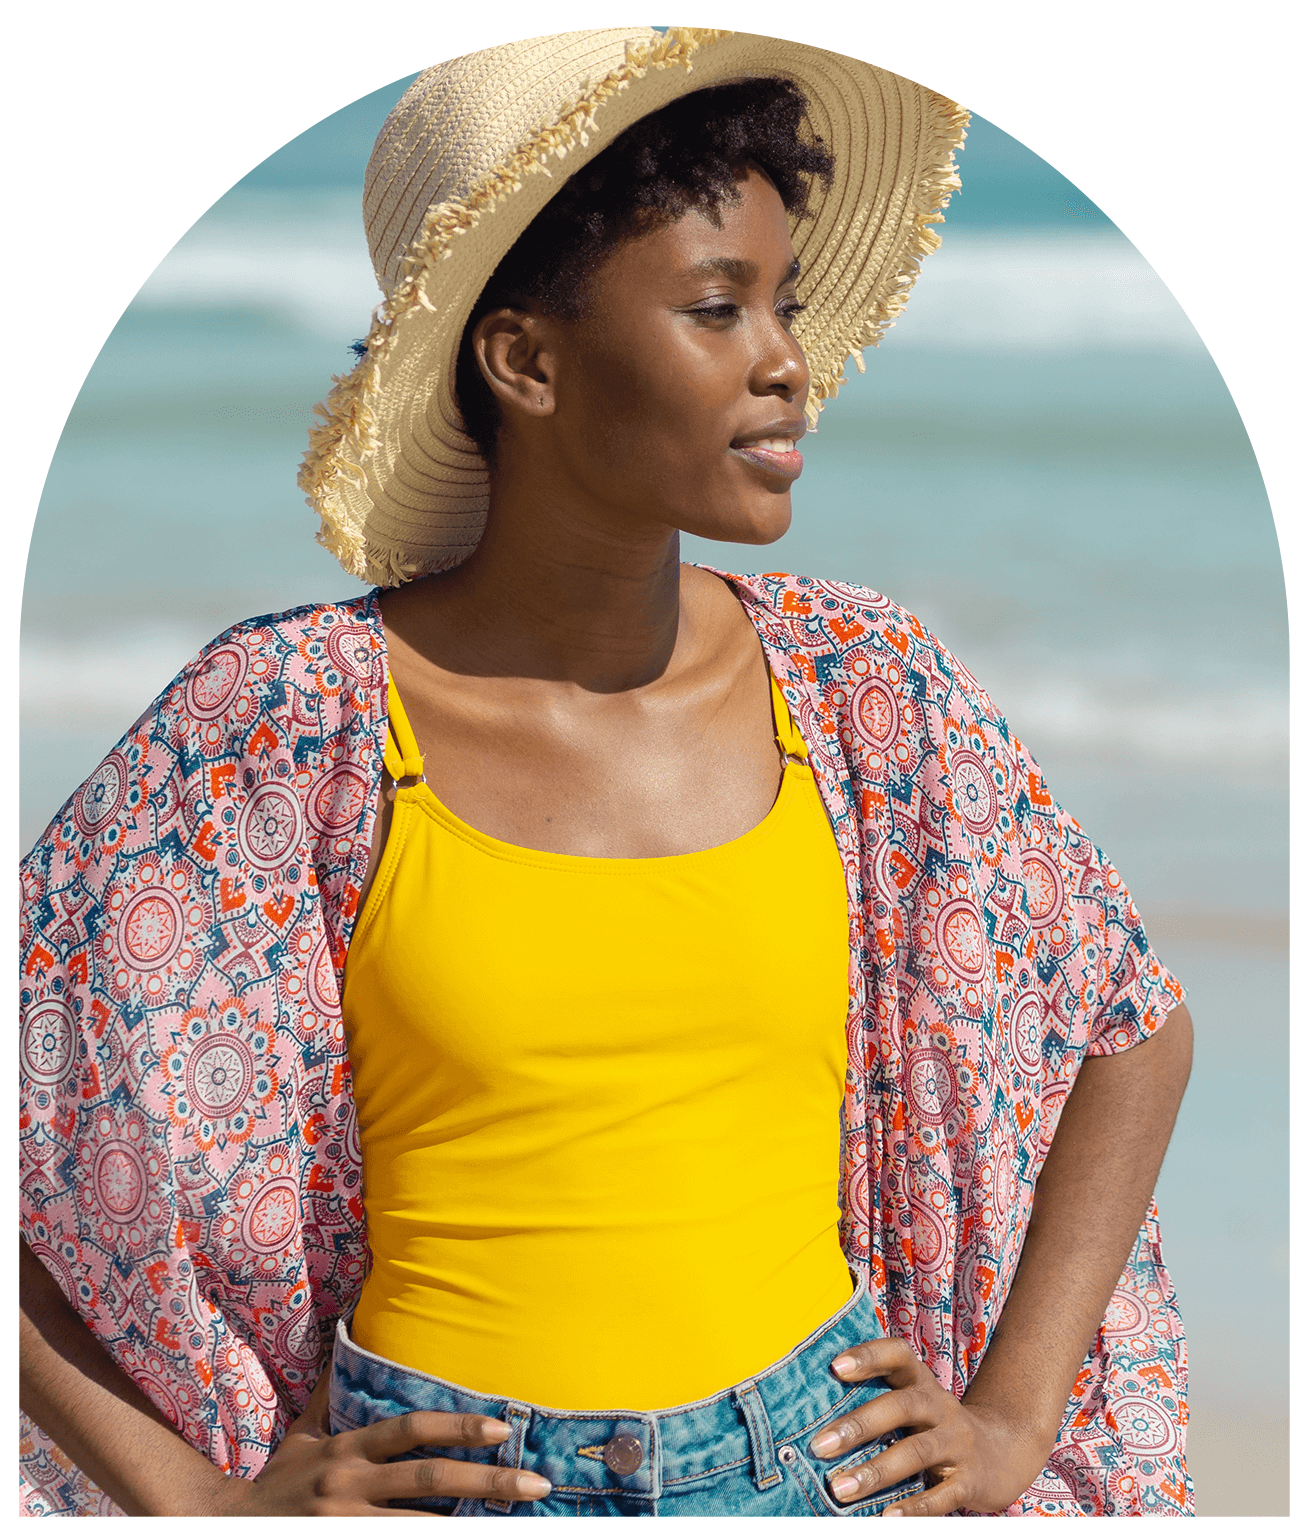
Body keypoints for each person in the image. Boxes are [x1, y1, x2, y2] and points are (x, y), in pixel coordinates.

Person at [18, 26, 1194, 1518]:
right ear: (526, 358)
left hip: (819, 1466)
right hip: (443, 1484)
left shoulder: (858, 691)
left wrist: (1013, 1416)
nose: (786, 360)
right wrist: (193, 1494)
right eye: (718, 308)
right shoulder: (291, 721)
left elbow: (1131, 1030)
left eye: (787, 302)